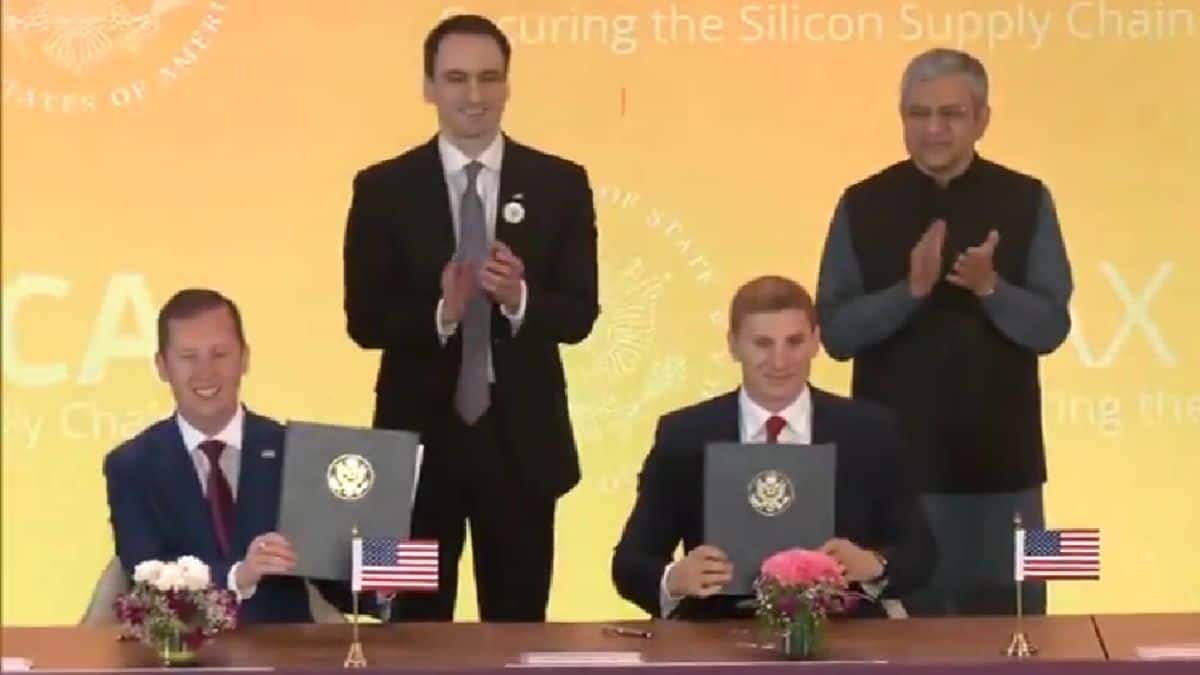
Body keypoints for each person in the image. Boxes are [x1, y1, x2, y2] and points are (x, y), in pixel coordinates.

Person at [342, 14, 598, 622]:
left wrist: (518, 297)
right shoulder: (381, 187)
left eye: (489, 77)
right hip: (411, 457)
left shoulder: (561, 183)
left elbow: (579, 313)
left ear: (508, 84)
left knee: (517, 628)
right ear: (429, 86)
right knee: (405, 634)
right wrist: (442, 312)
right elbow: (364, 320)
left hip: (523, 452)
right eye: (456, 78)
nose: (474, 95)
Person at [815, 48, 1073, 616]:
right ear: (902, 117)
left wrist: (990, 287)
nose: (934, 128)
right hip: (893, 479)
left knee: (1025, 631)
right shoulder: (862, 202)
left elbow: (1052, 326)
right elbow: (835, 334)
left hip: (1009, 474)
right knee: (894, 638)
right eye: (919, 113)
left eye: (951, 114)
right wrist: (909, 292)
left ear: (982, 119)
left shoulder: (1028, 197)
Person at [612, 276, 934, 619]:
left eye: (794, 342)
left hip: (842, 632)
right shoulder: (685, 435)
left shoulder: (870, 431)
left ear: (815, 341)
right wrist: (674, 580)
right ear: (733, 346)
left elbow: (921, 553)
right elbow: (630, 563)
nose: (780, 361)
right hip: (717, 633)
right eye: (762, 344)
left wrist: (874, 565)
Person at [104, 289, 348, 624]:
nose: (205, 371)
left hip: (284, 648)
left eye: (219, 354)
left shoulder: (295, 451)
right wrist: (237, 576)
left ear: (244, 358)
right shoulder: (132, 465)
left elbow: (336, 572)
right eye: (189, 357)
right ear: (162, 366)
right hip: (181, 647)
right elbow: (148, 577)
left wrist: (386, 566)